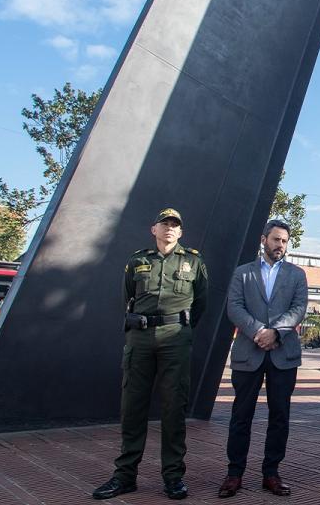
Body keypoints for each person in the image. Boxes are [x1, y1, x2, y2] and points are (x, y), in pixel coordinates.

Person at [93, 208, 208, 500]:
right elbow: (127, 297)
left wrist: (179, 329)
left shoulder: (193, 261)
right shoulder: (137, 260)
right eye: (164, 224)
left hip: (175, 339)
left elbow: (201, 303)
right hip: (140, 338)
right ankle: (125, 475)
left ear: (180, 232)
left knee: (173, 409)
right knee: (132, 406)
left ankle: (172, 477)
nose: (169, 228)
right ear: (153, 229)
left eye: (175, 225)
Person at [218, 220, 308, 498]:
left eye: (284, 241)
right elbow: (234, 306)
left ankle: (271, 473)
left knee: (280, 416)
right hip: (249, 352)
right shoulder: (242, 274)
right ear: (263, 240)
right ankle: (235, 474)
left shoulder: (297, 274)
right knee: (241, 416)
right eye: (276, 240)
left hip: (284, 354)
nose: (280, 245)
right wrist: (258, 331)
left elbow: (299, 307)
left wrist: (276, 333)